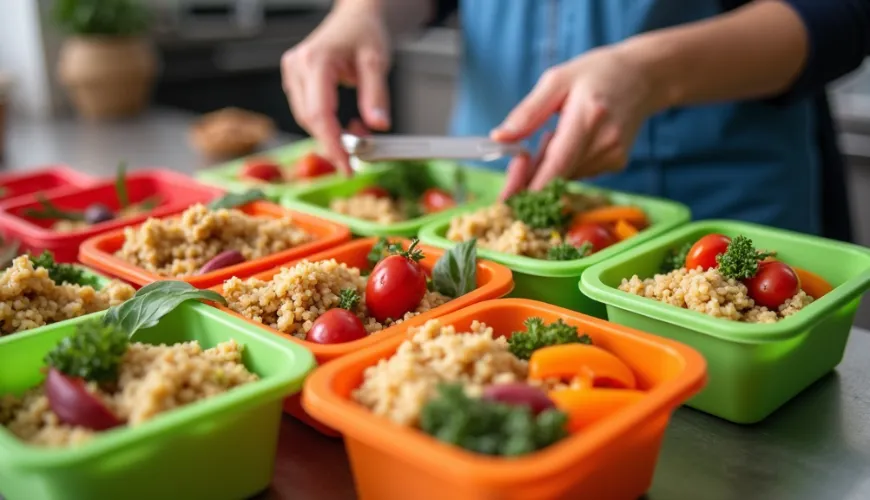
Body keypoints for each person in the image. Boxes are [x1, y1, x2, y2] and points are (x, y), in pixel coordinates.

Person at [281, 0, 870, 241]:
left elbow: (839, 13)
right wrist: (361, 13)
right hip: (487, 203)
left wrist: (650, 74)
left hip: (712, 201)